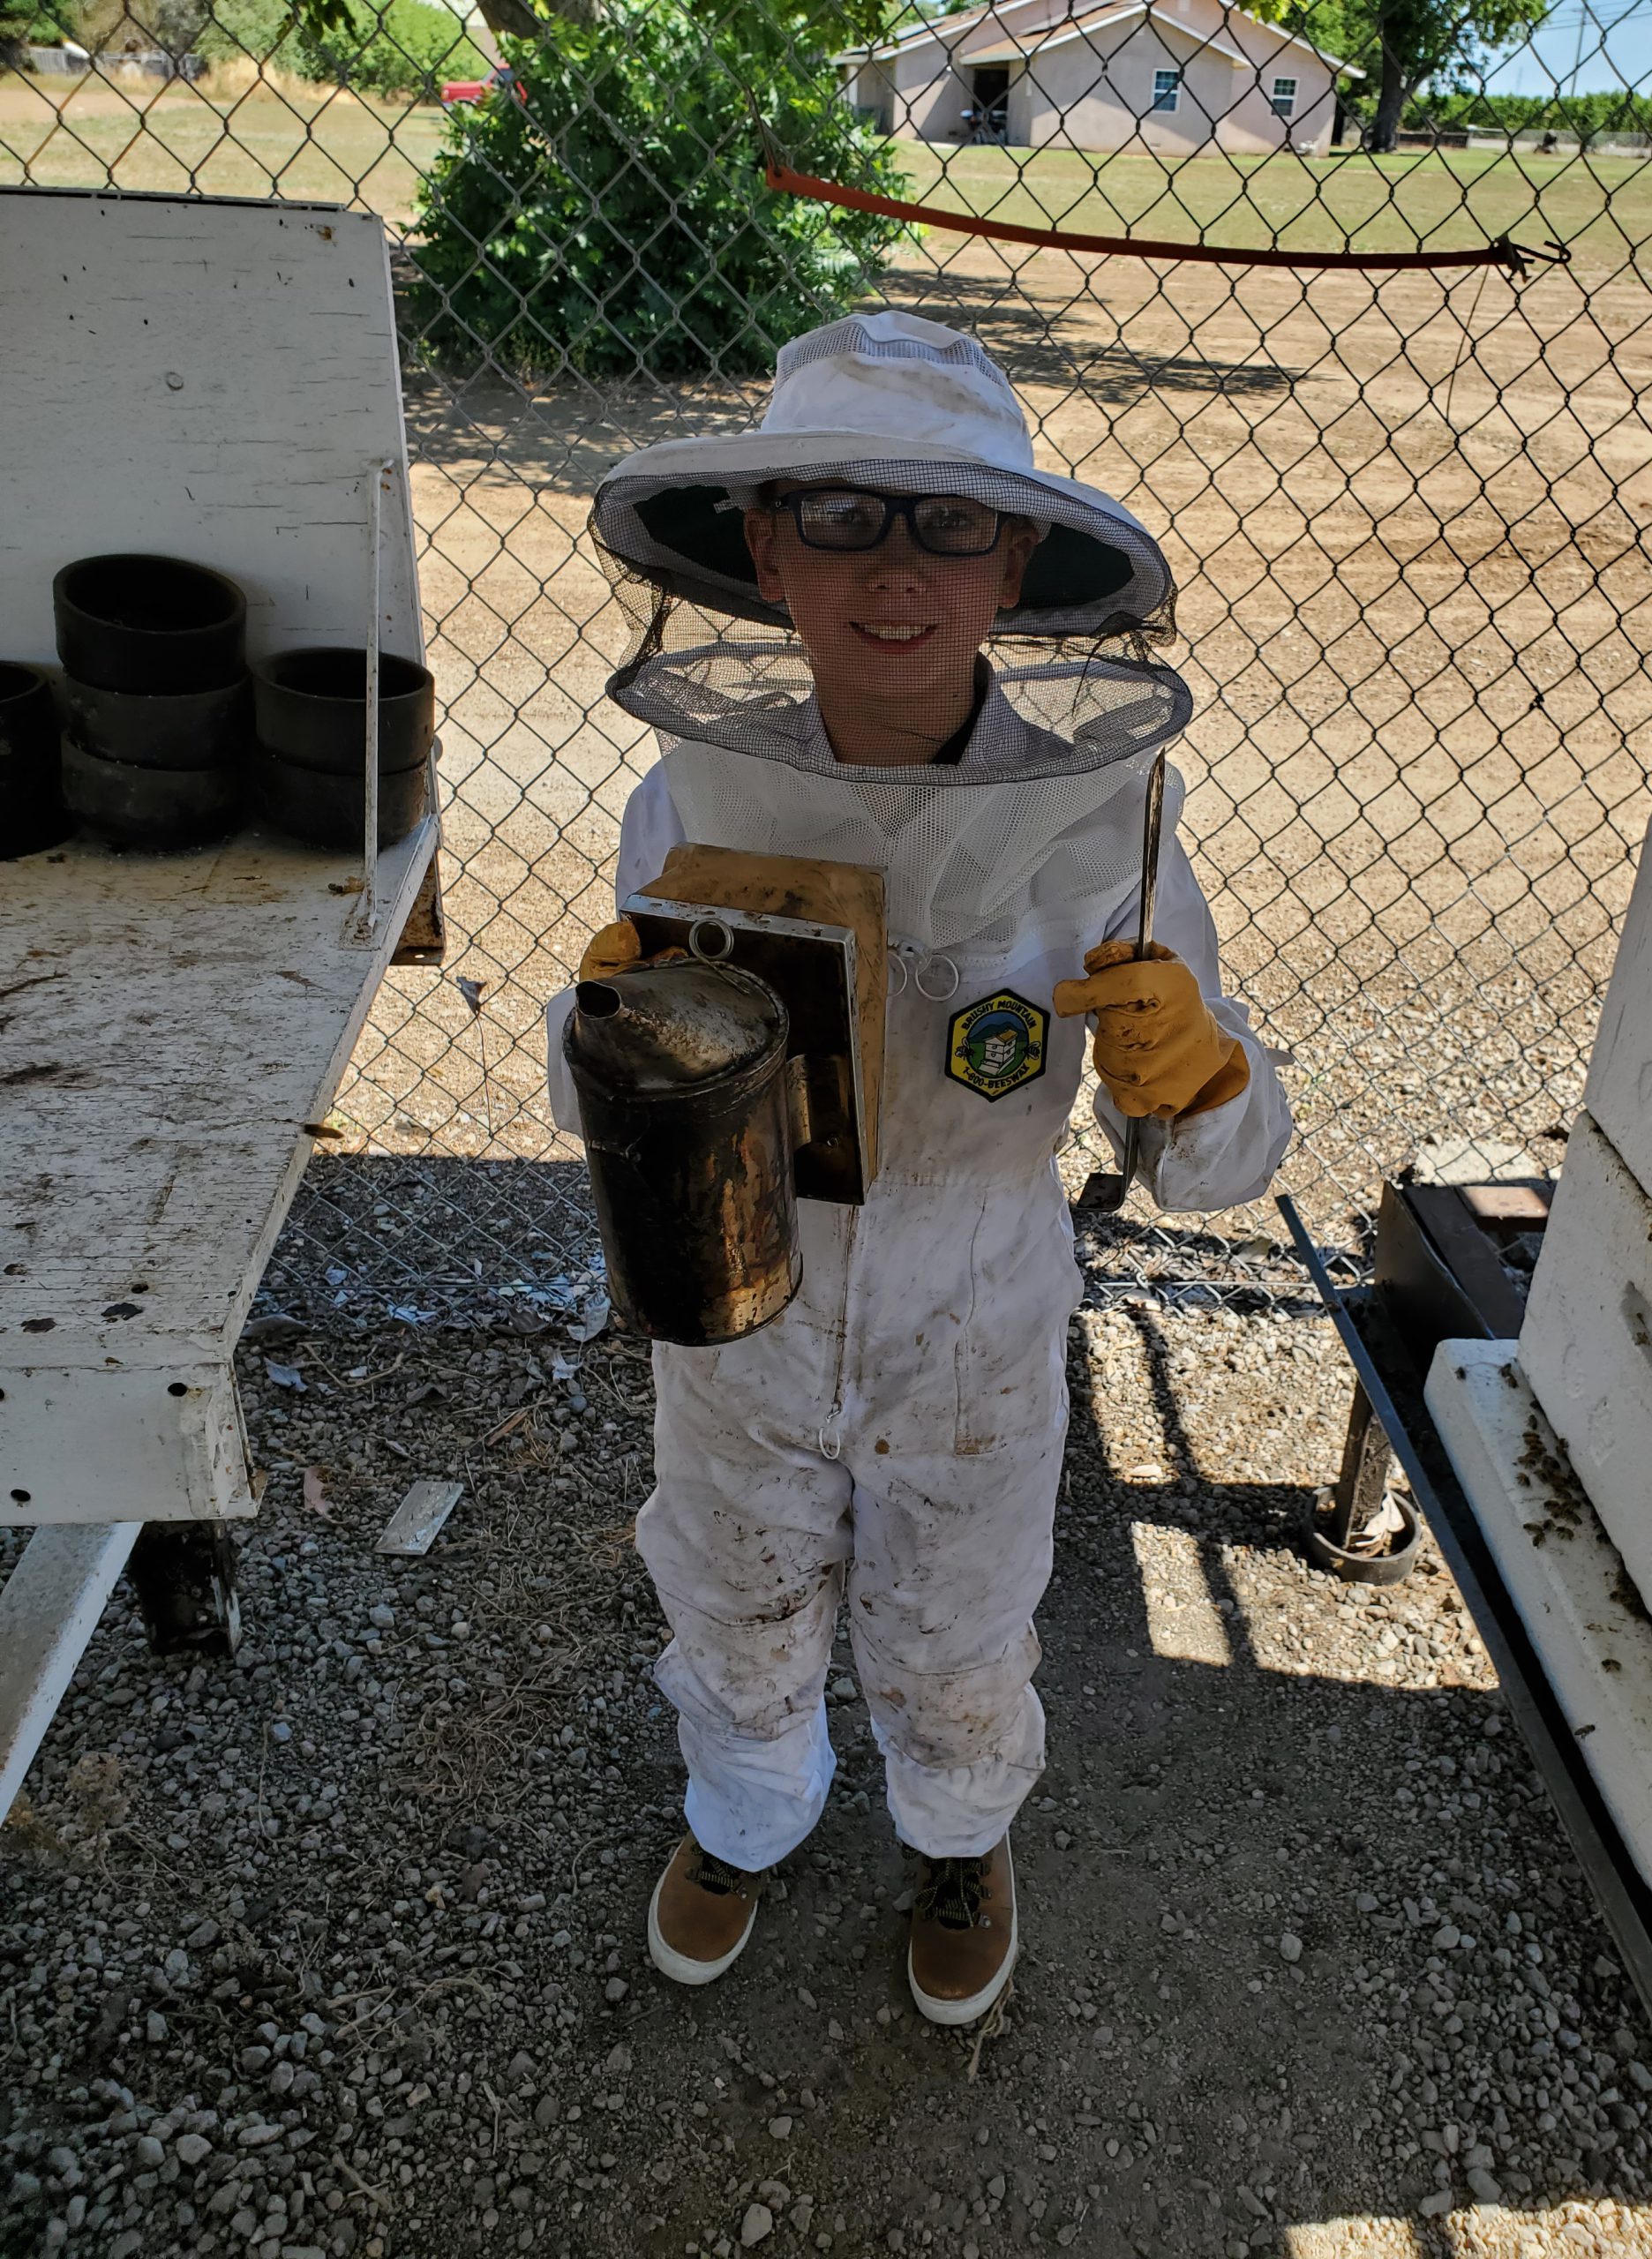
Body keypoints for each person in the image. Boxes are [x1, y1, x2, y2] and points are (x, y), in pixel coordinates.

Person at [566, 311, 1293, 2025]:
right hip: (745, 1304)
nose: (896, 571)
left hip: (976, 1307)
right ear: (761, 546)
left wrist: (1197, 1074)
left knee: (959, 1621)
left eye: (948, 522)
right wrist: (600, 1030)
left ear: (1017, 554)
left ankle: (960, 1828)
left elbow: (1219, 1162)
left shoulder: (1098, 815)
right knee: (731, 1586)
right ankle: (744, 1809)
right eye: (840, 517)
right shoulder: (696, 790)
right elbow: (622, 1106)